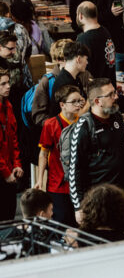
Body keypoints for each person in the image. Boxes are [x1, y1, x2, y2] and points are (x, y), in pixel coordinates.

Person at [63, 79, 124, 214]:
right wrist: (78, 207)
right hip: (96, 199)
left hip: (118, 195)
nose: (116, 97)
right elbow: (75, 170)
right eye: (111, 94)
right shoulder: (84, 127)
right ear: (98, 101)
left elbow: (122, 153)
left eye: (115, 93)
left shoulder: (117, 117)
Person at [37, 83, 84, 226]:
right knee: (61, 224)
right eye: (74, 101)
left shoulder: (83, 122)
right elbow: (43, 154)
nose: (78, 105)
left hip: (79, 184)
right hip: (58, 185)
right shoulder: (51, 125)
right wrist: (40, 179)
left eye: (79, 101)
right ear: (62, 104)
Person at [0, 70, 19, 219]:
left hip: (9, 171)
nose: (8, 86)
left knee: (9, 216)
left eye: (8, 82)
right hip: (3, 172)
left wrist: (17, 165)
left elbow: (13, 140)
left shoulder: (9, 106)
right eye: (3, 84)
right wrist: (6, 172)